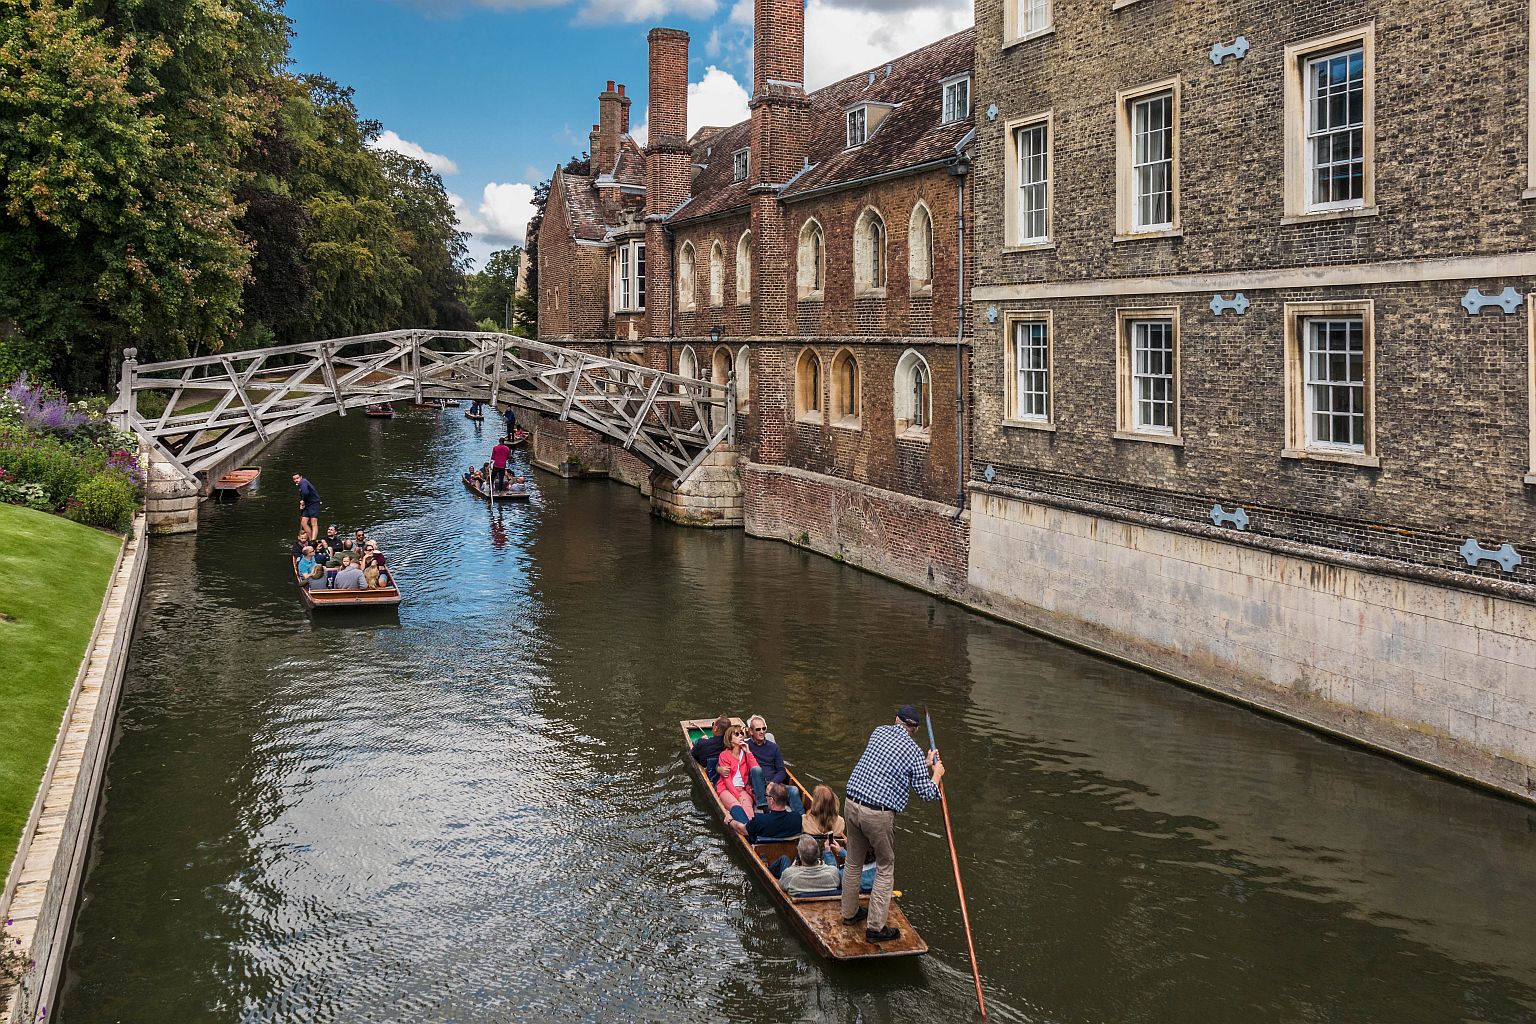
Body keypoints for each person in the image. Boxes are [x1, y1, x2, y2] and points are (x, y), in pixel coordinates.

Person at [839, 705, 944, 944]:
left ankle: (849, 913)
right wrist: (936, 773)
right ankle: (876, 927)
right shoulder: (912, 751)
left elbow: (891, 764)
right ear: (915, 730)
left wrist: (924, 763)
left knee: (853, 861)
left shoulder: (878, 732)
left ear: (895, 720)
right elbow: (928, 793)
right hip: (877, 814)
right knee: (885, 866)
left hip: (852, 805)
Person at [746, 715, 802, 814]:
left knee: (794, 790)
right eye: (758, 729)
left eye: (764, 728)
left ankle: (801, 819)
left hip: (773, 785)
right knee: (756, 770)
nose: (762, 731)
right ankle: (764, 807)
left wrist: (773, 783)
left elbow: (781, 770)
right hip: (756, 784)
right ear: (751, 731)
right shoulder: (746, 747)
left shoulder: (774, 747)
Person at [715, 723, 759, 822]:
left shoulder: (745, 753)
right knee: (736, 805)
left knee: (747, 805)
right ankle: (746, 830)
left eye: (741, 733)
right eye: (737, 734)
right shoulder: (724, 755)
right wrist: (738, 797)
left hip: (742, 789)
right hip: (725, 789)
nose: (741, 736)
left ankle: (752, 827)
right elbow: (727, 781)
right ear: (730, 739)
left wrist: (748, 752)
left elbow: (756, 769)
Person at [772, 836, 843, 897]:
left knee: (784, 859)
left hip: (799, 892)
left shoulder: (790, 875)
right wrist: (828, 851)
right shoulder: (833, 873)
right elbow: (833, 869)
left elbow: (781, 885)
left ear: (800, 856)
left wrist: (793, 867)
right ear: (818, 854)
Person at [730, 782, 801, 840]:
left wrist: (730, 821)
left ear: (772, 800)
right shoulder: (797, 817)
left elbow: (742, 830)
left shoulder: (760, 820)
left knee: (736, 809)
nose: (766, 798)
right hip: (784, 846)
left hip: (760, 848)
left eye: (766, 795)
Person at [691, 716, 731, 781]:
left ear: (715, 728)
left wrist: (701, 740)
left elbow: (693, 754)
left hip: (712, 774)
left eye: (713, 724)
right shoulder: (733, 744)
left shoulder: (702, 744)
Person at [292, 474, 321, 542]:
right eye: (294, 479)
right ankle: (311, 539)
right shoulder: (300, 484)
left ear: (301, 477)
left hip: (314, 503)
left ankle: (313, 540)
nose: (296, 480)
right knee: (303, 522)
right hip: (307, 504)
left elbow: (305, 492)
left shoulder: (303, 482)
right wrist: (303, 502)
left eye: (297, 478)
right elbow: (304, 494)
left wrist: (303, 501)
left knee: (313, 523)